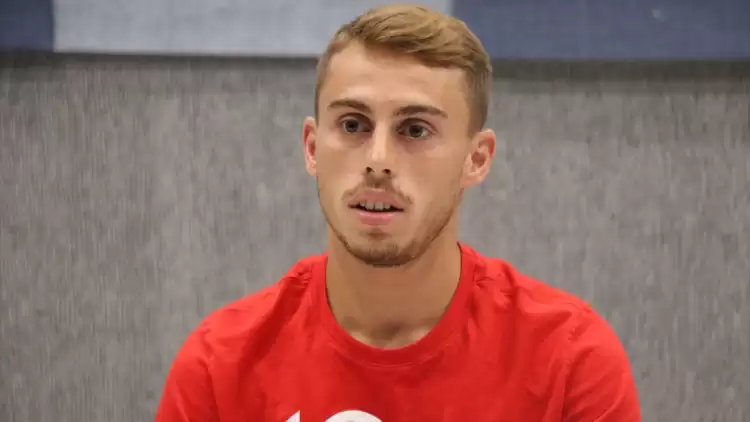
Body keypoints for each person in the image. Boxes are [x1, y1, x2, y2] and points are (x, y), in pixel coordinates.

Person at [155, 4, 641, 421]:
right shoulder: (218, 366)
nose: (378, 160)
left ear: (476, 159)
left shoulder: (570, 361)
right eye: (353, 125)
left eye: (415, 130)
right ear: (312, 147)